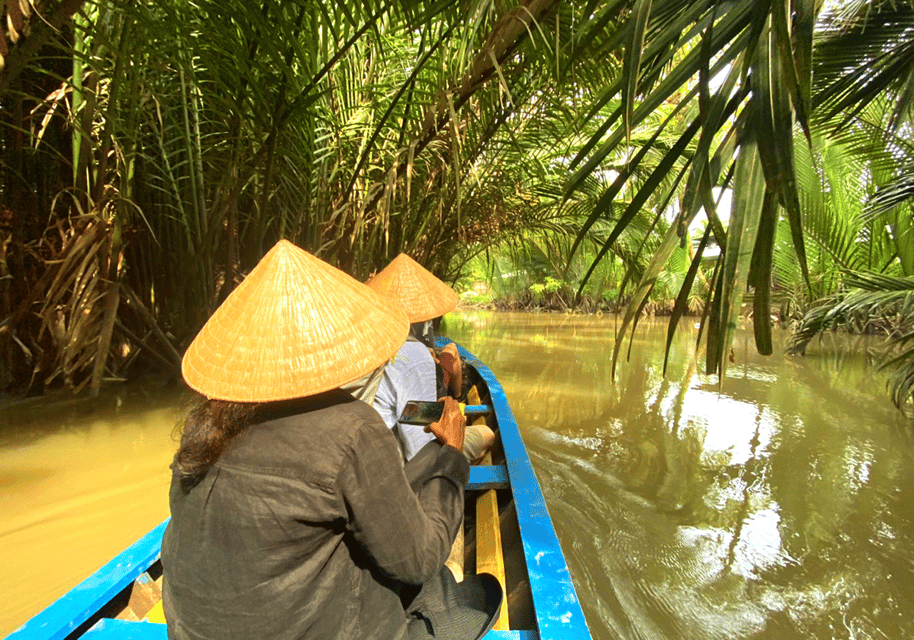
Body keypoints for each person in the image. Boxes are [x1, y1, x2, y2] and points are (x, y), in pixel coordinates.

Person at [162, 240, 501, 640]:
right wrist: (452, 455)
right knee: (476, 598)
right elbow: (421, 560)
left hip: (187, 630)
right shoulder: (352, 425)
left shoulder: (202, 424)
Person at [366, 253, 494, 464]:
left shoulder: (360, 345)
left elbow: (404, 408)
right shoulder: (412, 353)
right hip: (389, 461)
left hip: (374, 435)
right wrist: (453, 434)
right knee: (487, 434)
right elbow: (417, 450)